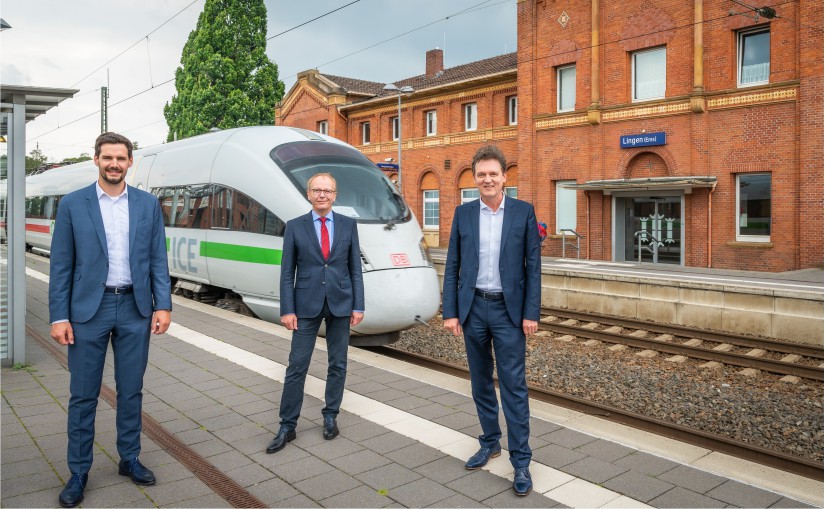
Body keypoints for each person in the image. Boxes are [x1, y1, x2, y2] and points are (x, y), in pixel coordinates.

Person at [49, 132, 172, 508]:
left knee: (131, 390)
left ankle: (129, 458)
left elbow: (156, 259)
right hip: (89, 311)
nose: (114, 164)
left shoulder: (148, 205)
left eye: (121, 158)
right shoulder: (73, 204)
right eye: (108, 158)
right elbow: (61, 265)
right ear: (96, 160)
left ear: (130, 162)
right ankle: (79, 470)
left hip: (135, 308)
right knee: (83, 395)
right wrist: (59, 316)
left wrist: (162, 305)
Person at [442, 145, 541, 496]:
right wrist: (450, 311)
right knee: (481, 381)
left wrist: (531, 313)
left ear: (504, 177)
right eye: (481, 174)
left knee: (514, 386)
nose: (487, 179)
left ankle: (522, 461)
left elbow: (533, 267)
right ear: (475, 177)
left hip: (508, 313)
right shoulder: (463, 213)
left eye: (493, 174)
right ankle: (489, 442)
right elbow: (453, 265)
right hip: (473, 310)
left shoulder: (523, 212)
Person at [266, 172, 365, 454]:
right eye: (317, 190)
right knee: (297, 366)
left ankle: (330, 415)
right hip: (305, 305)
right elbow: (287, 272)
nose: (322, 195)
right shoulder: (295, 226)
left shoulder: (348, 225)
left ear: (335, 195)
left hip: (341, 303)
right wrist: (288, 309)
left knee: (338, 364)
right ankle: (287, 425)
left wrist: (358, 305)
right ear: (309, 194)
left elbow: (354, 268)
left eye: (328, 191)